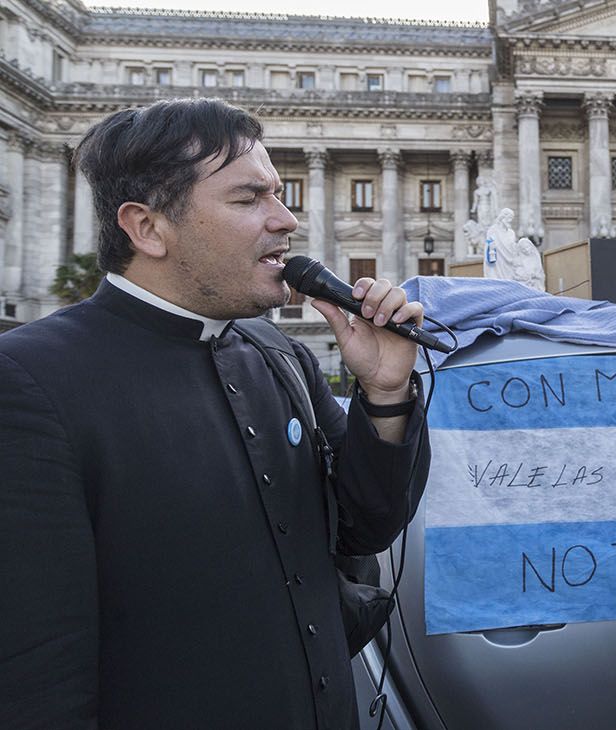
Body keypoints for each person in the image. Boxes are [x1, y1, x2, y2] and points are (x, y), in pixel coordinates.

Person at [0, 99, 432, 729]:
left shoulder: (277, 351)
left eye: (279, 194)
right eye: (248, 198)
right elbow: (38, 673)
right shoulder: (27, 380)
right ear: (147, 228)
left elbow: (365, 530)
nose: (286, 221)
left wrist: (386, 394)